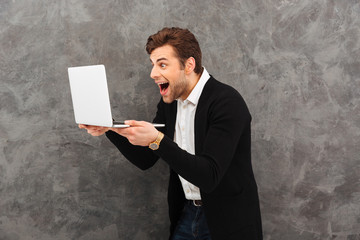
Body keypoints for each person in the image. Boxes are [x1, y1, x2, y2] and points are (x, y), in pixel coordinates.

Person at [79, 27, 263, 240]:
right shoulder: (171, 103)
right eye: (153, 64)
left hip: (228, 223)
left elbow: (209, 175)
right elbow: (146, 158)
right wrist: (109, 128)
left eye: (162, 64)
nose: (153, 73)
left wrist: (157, 140)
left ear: (189, 65)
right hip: (187, 215)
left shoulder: (227, 103)